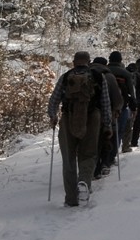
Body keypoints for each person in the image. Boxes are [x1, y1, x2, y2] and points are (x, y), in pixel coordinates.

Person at [47, 50, 112, 207]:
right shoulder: (98, 77)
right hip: (92, 118)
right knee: (88, 155)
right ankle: (84, 182)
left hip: (68, 118)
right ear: (88, 62)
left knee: (68, 159)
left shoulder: (66, 77)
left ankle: (70, 198)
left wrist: (53, 117)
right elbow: (105, 102)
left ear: (74, 62)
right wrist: (107, 124)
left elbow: (53, 100)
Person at [90, 56, 122, 179]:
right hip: (103, 114)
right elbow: (117, 99)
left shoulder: (83, 73)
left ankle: (85, 170)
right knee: (103, 140)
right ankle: (101, 166)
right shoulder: (108, 76)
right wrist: (117, 109)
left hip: (79, 115)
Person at [107, 51, 136, 153]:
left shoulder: (104, 71)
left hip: (103, 105)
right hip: (121, 105)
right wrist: (133, 106)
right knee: (119, 130)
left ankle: (104, 156)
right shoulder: (125, 73)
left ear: (109, 59)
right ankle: (113, 153)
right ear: (120, 60)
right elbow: (131, 92)